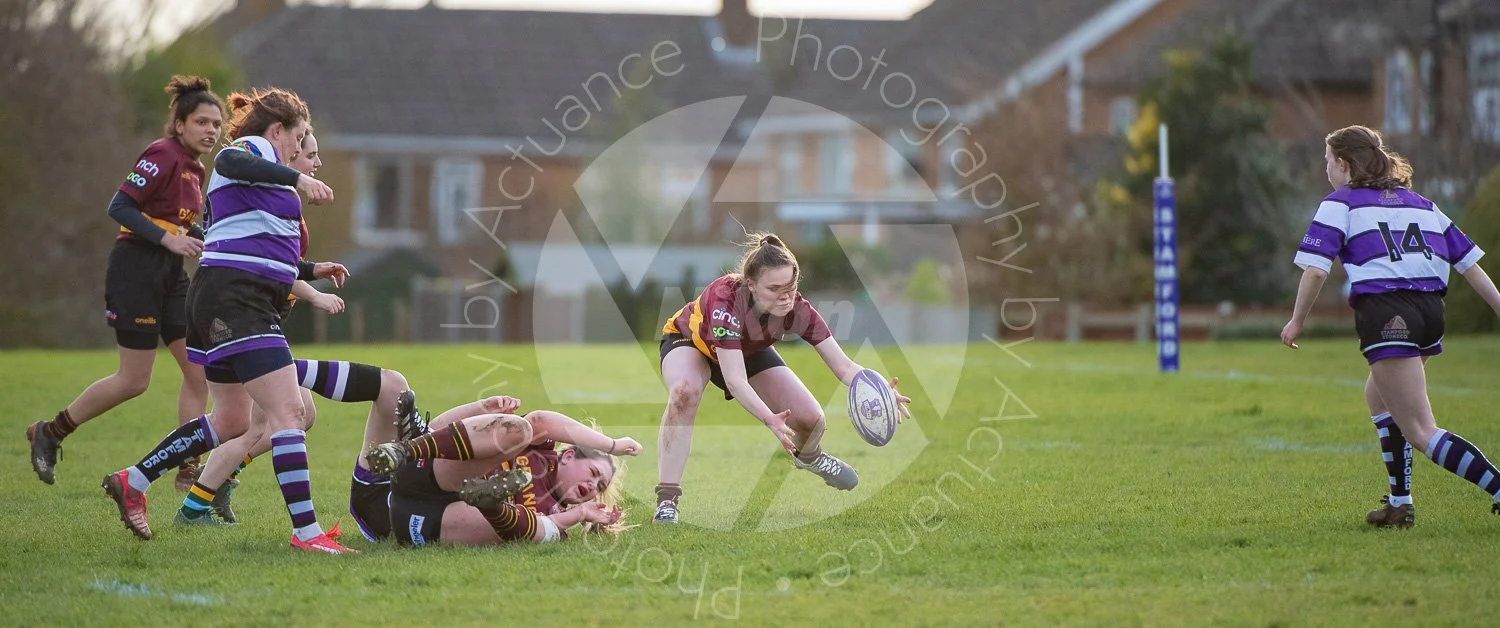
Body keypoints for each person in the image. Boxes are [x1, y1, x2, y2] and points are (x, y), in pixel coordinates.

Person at [99, 86, 355, 554]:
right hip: (239, 301)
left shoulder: (264, 186)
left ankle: (132, 480)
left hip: (220, 297)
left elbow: (249, 246)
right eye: (297, 140)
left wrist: (313, 271)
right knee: (291, 413)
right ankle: (308, 535)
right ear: (277, 131)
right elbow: (231, 161)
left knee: (233, 420)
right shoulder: (253, 149)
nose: (299, 152)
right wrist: (296, 180)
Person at [170, 130, 410, 528]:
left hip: (258, 324)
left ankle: (198, 492)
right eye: (307, 153)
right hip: (244, 326)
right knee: (259, 422)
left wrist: (314, 270)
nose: (314, 163)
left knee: (289, 416)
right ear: (285, 156)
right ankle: (193, 497)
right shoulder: (269, 196)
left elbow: (280, 264)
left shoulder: (280, 204)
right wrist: (314, 294)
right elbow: (264, 264)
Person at [1282, 125, 1500, 528]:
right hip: (1430, 311)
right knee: (1379, 399)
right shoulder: (1421, 204)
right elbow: (1469, 264)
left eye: (1328, 162)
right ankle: (1400, 505)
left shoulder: (1340, 203)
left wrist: (1296, 322)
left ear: (1343, 164)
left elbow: (1315, 272)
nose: (1326, 170)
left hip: (1387, 312)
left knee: (1421, 430)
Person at [26, 76, 222, 490]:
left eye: (216, 124)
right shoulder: (162, 153)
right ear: (180, 123)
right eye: (202, 122)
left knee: (198, 373)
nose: (211, 130)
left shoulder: (197, 168)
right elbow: (119, 206)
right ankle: (51, 431)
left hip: (170, 275)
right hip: (136, 271)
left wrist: (201, 241)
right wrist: (169, 239)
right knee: (134, 381)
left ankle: (187, 467)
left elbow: (181, 224)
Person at [651, 233, 911, 524]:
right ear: (751, 285)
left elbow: (844, 367)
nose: (786, 296)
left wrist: (878, 388)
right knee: (684, 392)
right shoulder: (725, 300)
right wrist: (769, 418)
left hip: (747, 351)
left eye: (791, 287)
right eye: (775, 289)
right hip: (690, 342)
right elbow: (735, 380)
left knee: (812, 421)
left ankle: (810, 457)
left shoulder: (798, 310)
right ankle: (667, 501)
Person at [355, 396, 637, 546]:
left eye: (599, 487)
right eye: (593, 472)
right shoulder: (542, 449)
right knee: (521, 428)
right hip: (426, 473)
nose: (593, 484)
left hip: (424, 522)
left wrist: (584, 516)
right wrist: (612, 445)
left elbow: (541, 532)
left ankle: (488, 502)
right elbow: (542, 419)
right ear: (569, 456)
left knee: (539, 533)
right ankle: (408, 449)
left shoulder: (559, 517)